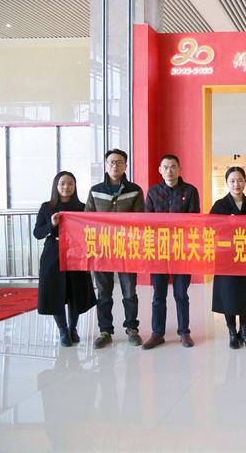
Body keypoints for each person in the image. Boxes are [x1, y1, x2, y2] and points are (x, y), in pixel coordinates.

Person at [86, 149, 145, 349]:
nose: (115, 165)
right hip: (102, 249)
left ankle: (132, 329)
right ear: (106, 165)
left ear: (125, 166)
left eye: (119, 162)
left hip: (127, 249)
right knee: (104, 293)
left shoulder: (135, 190)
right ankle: (105, 331)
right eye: (111, 162)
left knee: (129, 292)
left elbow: (140, 219)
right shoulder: (95, 190)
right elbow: (87, 218)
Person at [142, 154, 200, 350]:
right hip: (158, 250)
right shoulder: (153, 192)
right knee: (158, 295)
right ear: (160, 170)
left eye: (173, 166)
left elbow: (193, 220)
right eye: (165, 167)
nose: (169, 170)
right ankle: (157, 333)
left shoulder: (190, 191)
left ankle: (184, 332)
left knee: (181, 293)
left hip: (181, 250)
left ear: (179, 168)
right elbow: (148, 222)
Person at [33, 171, 96, 346]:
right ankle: (62, 331)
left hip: (76, 253)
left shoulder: (82, 207)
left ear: (75, 186)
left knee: (75, 291)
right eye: (62, 183)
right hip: (53, 254)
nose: (66, 187)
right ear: (56, 186)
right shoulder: (47, 207)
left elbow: (90, 231)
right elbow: (37, 233)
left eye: (70, 183)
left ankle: (72, 328)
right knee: (55, 292)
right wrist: (51, 224)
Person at [210, 166, 246, 349]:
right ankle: (232, 333)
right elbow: (210, 229)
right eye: (232, 181)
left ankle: (245, 333)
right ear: (227, 183)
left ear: (245, 182)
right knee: (229, 295)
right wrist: (227, 224)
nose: (236, 184)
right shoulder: (220, 205)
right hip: (227, 259)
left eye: (240, 180)